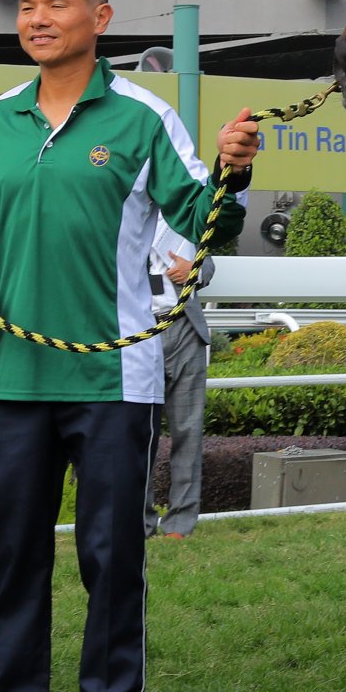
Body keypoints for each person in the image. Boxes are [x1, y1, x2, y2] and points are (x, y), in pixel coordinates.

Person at [0, 0, 259, 692]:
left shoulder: (144, 117)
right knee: (13, 553)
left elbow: (201, 215)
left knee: (110, 551)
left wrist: (231, 173)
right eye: (27, 6)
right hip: (13, 375)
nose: (37, 20)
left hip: (115, 376)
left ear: (100, 17)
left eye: (55, 4)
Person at [145, 222, 216, 540]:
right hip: (136, 334)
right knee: (135, 432)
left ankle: (181, 522)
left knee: (188, 431)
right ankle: (139, 520)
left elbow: (209, 264)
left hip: (185, 328)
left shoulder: (182, 209)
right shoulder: (117, 204)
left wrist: (194, 269)